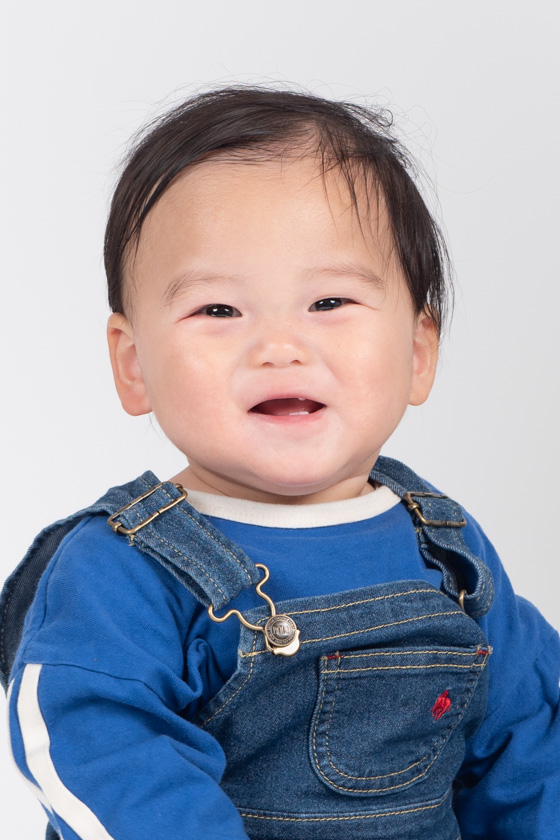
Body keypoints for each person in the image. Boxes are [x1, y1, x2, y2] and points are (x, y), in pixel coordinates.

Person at [2, 86, 559, 840]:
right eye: (218, 310)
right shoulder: (120, 571)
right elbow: (105, 759)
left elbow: (531, 747)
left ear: (418, 352)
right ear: (134, 366)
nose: (279, 347)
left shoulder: (447, 550)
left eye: (329, 303)